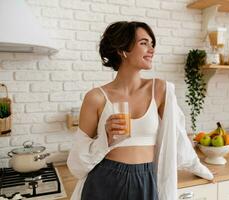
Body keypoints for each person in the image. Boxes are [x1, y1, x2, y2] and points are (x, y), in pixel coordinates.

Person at [67, 21, 214, 200]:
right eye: (144, 43)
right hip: (104, 179)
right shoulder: (96, 97)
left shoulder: (160, 90)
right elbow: (77, 161)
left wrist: (199, 167)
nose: (151, 49)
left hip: (146, 178)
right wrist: (105, 139)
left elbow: (178, 135)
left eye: (152, 44)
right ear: (123, 50)